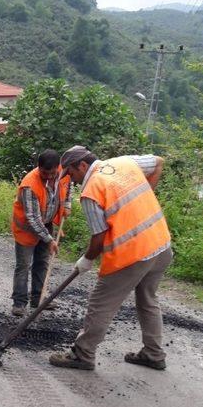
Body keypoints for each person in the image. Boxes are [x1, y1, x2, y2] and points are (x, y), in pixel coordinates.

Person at [49, 145, 171, 371]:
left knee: (100, 304)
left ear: (83, 165)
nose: (72, 181)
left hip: (131, 254)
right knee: (148, 300)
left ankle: (83, 354)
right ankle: (153, 354)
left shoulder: (91, 190)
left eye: (72, 174)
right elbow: (158, 161)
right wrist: (145, 199)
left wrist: (87, 259)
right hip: (160, 242)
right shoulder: (123, 163)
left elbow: (99, 236)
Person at [10, 149, 72, 316]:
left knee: (42, 262)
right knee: (23, 265)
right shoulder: (30, 185)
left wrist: (67, 204)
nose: (50, 177)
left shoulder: (62, 173)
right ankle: (19, 303)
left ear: (57, 168)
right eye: (45, 173)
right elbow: (33, 218)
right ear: (39, 167)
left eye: (53, 173)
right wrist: (50, 240)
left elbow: (68, 186)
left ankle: (38, 299)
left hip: (47, 223)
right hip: (27, 228)